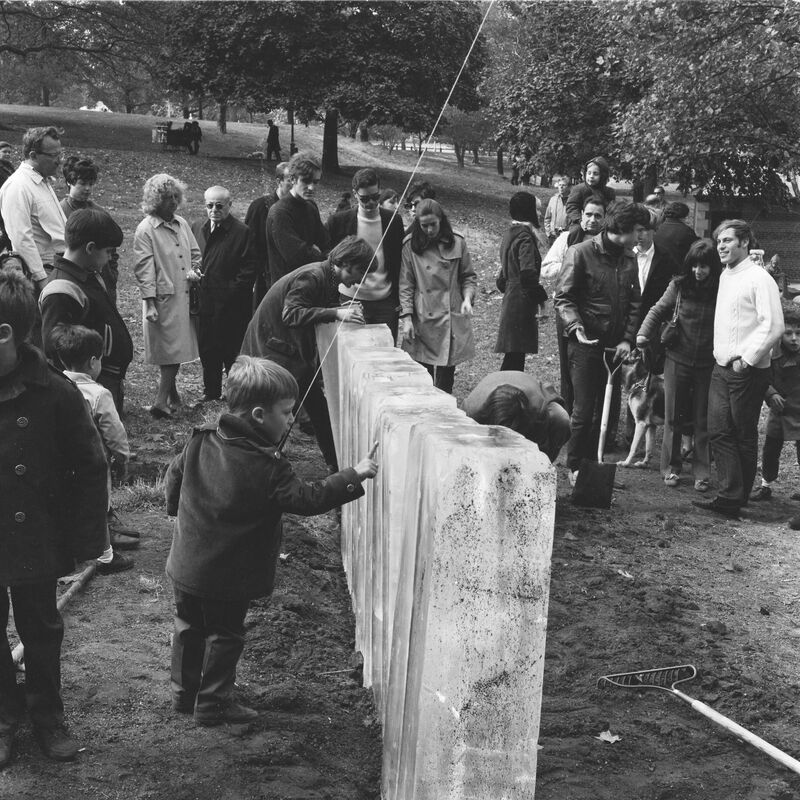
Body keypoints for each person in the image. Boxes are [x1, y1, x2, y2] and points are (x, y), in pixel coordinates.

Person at [164, 355, 378, 725]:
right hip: (228, 577)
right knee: (225, 634)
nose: (293, 420)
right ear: (260, 416)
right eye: (287, 412)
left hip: (187, 563)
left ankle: (185, 693)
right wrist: (354, 474)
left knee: (188, 626)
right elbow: (308, 499)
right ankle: (213, 704)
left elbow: (174, 479)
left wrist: (177, 511)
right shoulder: (269, 467)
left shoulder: (200, 440)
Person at [0, 269, 107, 765]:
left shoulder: (56, 393)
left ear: (7, 334)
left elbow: (89, 466)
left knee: (40, 627)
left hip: (32, 534)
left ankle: (47, 716)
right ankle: (5, 716)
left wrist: (86, 538)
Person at [240, 236, 374, 470]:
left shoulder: (327, 277)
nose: (359, 281)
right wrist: (335, 313)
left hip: (289, 354)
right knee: (274, 414)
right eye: (360, 273)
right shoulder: (312, 277)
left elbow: (317, 307)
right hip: (273, 352)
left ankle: (336, 467)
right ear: (348, 263)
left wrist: (340, 309)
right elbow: (291, 314)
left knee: (319, 412)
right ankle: (257, 465)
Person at [693, 219, 784, 518]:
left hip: (747, 370)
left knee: (741, 433)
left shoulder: (759, 278)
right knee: (719, 430)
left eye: (728, 240)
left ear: (745, 242)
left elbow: (772, 326)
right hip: (721, 367)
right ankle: (731, 494)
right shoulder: (725, 275)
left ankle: (735, 498)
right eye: (719, 241)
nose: (721, 246)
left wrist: (747, 358)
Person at [554, 201, 649, 484]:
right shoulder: (581, 253)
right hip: (585, 344)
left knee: (604, 408)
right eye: (638, 230)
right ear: (622, 230)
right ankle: (575, 467)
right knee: (583, 409)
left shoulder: (629, 259)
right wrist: (576, 327)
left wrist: (627, 339)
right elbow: (564, 297)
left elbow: (635, 303)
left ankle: (594, 463)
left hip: (614, 347)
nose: (641, 236)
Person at [50, 324, 136, 571]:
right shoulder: (99, 394)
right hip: (94, 462)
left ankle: (71, 548)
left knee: (67, 504)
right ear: (92, 362)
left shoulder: (57, 388)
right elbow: (114, 433)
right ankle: (105, 556)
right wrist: (123, 458)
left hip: (61, 463)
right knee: (98, 506)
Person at [637, 239, 721, 491]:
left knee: (702, 419)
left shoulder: (721, 288)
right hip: (677, 359)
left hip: (708, 363)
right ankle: (671, 468)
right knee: (673, 416)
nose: (698, 271)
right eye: (694, 265)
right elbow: (657, 310)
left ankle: (702, 472)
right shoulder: (679, 286)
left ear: (712, 267)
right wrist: (642, 334)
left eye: (704, 266)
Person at [40, 209, 133, 415]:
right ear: (90, 248)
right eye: (108, 251)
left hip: (106, 380)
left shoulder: (89, 276)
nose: (110, 258)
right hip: (87, 391)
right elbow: (54, 348)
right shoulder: (60, 289)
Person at [132, 174, 201, 419]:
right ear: (155, 200)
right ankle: (160, 402)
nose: (173, 202)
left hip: (183, 295)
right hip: (162, 298)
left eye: (175, 197)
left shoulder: (181, 223)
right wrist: (149, 303)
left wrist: (196, 270)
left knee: (175, 347)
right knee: (170, 350)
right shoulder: (146, 229)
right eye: (166, 198)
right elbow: (144, 268)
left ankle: (173, 397)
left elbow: (195, 252)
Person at [398, 198, 476, 394]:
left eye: (433, 224)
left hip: (450, 316)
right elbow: (406, 283)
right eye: (424, 225)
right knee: (422, 380)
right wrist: (406, 318)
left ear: (441, 220)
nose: (429, 230)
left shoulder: (457, 242)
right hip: (422, 316)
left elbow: (468, 277)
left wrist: (467, 299)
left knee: (444, 382)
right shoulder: (410, 245)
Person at [191, 186, 258, 402]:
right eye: (209, 205)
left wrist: (229, 293)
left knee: (232, 351)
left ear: (229, 205)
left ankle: (235, 393)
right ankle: (211, 392)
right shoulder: (198, 228)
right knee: (208, 349)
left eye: (219, 206)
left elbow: (248, 272)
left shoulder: (242, 232)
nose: (214, 210)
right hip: (205, 302)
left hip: (232, 306)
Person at [542, 197, 606, 414]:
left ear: (605, 218)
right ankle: (568, 412)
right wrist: (573, 266)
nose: (592, 220)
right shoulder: (567, 238)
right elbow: (547, 267)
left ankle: (592, 418)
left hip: (597, 312)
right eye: (588, 215)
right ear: (581, 214)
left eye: (598, 215)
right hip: (567, 309)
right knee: (568, 365)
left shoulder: (607, 242)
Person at [326, 168, 405, 340]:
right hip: (349, 299)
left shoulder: (394, 221)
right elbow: (329, 260)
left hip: (385, 301)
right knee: (351, 353)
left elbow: (399, 260)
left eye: (375, 197)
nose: (371, 202)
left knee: (384, 355)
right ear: (355, 194)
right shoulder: (339, 221)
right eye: (364, 199)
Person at [0, 126, 66, 295]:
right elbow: (21, 239)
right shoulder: (18, 186)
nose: (59, 160)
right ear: (33, 156)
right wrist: (43, 280)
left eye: (60, 154)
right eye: (53, 155)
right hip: (44, 274)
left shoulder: (41, 180)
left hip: (61, 267)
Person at [750, 302, 800, 502]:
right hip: (779, 410)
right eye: (788, 333)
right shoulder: (771, 352)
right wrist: (770, 394)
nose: (794, 338)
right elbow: (761, 376)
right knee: (771, 449)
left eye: (798, 333)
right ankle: (766, 485)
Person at [462, 371, 571, 462]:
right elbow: (465, 446)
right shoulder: (471, 411)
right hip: (494, 384)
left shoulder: (537, 408)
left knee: (561, 418)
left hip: (533, 390)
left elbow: (541, 444)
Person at [59, 155, 121, 306]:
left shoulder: (100, 213)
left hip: (103, 280)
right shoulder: (60, 211)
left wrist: (112, 275)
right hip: (75, 280)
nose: (87, 188)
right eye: (82, 183)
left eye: (91, 184)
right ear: (70, 182)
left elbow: (112, 248)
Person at [494, 191, 545, 372]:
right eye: (537, 210)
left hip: (511, 297)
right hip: (520, 302)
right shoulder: (524, 236)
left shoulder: (510, 233)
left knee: (514, 356)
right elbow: (527, 274)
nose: (539, 214)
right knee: (515, 358)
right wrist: (542, 300)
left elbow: (501, 278)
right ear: (528, 211)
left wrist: (510, 285)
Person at [265, 152, 328, 285]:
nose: (311, 187)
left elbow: (325, 242)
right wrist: (323, 257)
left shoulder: (311, 206)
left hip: (310, 283)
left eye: (315, 182)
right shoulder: (279, 212)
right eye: (305, 181)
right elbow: (297, 257)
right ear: (293, 179)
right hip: (287, 289)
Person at [244, 161, 290, 306]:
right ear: (279, 181)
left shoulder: (303, 208)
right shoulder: (260, 207)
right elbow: (249, 246)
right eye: (291, 180)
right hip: (265, 278)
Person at [564, 156, 616, 229]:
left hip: (601, 223)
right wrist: (580, 220)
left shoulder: (609, 192)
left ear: (603, 176)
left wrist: (606, 222)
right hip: (580, 222)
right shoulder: (579, 189)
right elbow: (571, 207)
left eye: (595, 174)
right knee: (575, 231)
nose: (591, 176)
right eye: (589, 173)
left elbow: (611, 210)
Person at [653, 201, 699, 268]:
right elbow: (695, 254)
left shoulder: (656, 229)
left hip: (656, 269)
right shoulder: (687, 232)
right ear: (684, 216)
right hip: (677, 271)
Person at [543, 175, 570, 244]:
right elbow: (547, 218)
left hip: (567, 236)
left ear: (569, 187)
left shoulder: (572, 200)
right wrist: (548, 233)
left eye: (564, 185)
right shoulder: (553, 199)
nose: (561, 187)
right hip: (553, 236)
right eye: (559, 185)